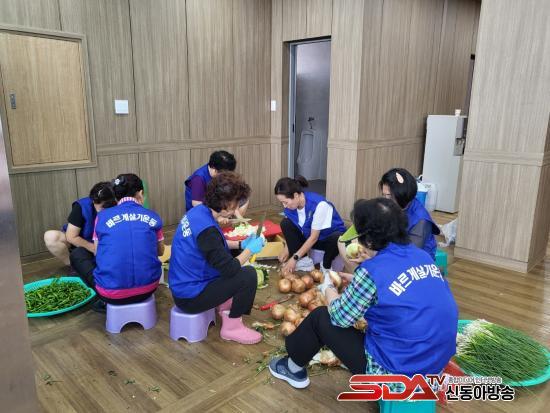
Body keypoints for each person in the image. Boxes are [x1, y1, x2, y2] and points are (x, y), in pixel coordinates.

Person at [269, 197, 458, 389]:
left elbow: (339, 317)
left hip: (397, 376)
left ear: (368, 239)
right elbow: (404, 287)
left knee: (321, 317)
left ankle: (291, 368)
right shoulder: (422, 256)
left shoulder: (372, 270)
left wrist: (328, 288)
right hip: (435, 367)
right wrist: (358, 278)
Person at [170, 171, 265, 345]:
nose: (236, 210)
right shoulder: (207, 229)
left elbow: (212, 247)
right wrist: (250, 250)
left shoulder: (199, 212)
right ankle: (232, 328)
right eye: (235, 205)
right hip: (190, 297)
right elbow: (229, 269)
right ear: (225, 203)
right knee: (248, 275)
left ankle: (224, 306)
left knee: (236, 259)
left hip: (184, 285)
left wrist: (241, 244)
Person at [71, 173, 165, 312]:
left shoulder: (102, 217)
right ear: (140, 193)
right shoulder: (153, 216)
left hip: (111, 294)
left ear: (115, 196)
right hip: (149, 288)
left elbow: (98, 253)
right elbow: (160, 251)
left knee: (77, 254)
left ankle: (103, 301)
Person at [274, 176, 346, 273]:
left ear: (296, 195)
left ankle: (326, 266)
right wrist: (287, 249)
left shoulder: (319, 205)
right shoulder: (290, 207)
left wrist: (294, 258)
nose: (284, 206)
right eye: (282, 203)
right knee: (286, 223)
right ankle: (304, 261)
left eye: (285, 202)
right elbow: (294, 227)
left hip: (327, 241)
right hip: (311, 238)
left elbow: (314, 237)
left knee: (337, 237)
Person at [44, 182, 116, 266]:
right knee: (51, 237)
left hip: (106, 244)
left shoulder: (119, 205)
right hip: (83, 244)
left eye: (105, 205)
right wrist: (94, 249)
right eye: (97, 202)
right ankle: (73, 266)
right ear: (93, 199)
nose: (101, 208)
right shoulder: (82, 206)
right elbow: (71, 237)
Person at [380, 168, 440, 259]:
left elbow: (411, 254)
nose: (385, 200)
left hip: (416, 261)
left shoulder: (420, 220)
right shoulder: (395, 206)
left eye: (389, 196)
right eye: (383, 195)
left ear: (402, 194)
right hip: (396, 251)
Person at [184, 150, 249, 221]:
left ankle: (234, 222)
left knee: (244, 199)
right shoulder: (198, 178)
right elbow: (196, 204)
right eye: (225, 174)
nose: (226, 177)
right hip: (202, 210)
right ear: (215, 170)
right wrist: (217, 217)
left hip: (217, 206)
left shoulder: (219, 172)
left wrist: (237, 213)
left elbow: (231, 195)